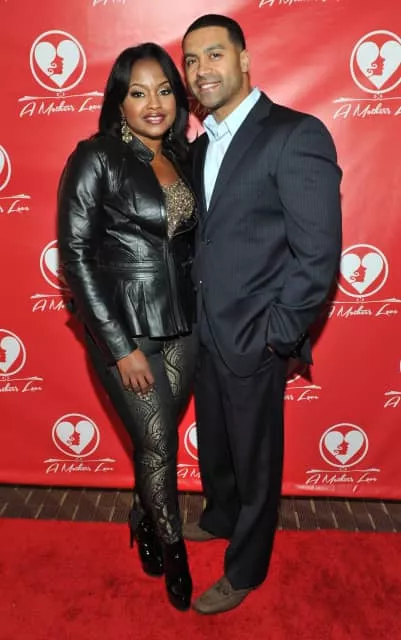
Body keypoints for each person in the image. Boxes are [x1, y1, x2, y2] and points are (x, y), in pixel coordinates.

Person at [181, 14, 342, 614]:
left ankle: (246, 566)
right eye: (191, 60)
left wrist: (277, 335)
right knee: (217, 444)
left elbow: (318, 254)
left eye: (214, 54)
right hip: (204, 330)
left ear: (244, 59)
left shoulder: (295, 134)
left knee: (255, 459)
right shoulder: (200, 147)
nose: (202, 70)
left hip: (256, 337)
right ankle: (220, 514)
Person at [57, 43, 197, 612]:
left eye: (164, 90)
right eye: (138, 93)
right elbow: (75, 257)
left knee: (153, 445)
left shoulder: (184, 157)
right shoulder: (95, 157)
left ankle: (142, 514)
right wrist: (118, 348)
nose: (154, 103)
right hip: (129, 331)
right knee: (160, 445)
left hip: (185, 326)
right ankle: (173, 549)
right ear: (119, 102)